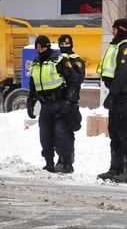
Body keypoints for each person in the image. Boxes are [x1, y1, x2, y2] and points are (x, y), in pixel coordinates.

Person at [96, 18, 127, 183]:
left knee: (125, 133)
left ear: (121, 29)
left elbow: (123, 73)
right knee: (115, 133)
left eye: (115, 29)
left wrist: (112, 95)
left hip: (124, 96)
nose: (113, 32)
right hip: (118, 95)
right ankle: (115, 169)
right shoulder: (119, 45)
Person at [26, 35, 80, 173]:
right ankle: (49, 162)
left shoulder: (59, 61)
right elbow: (33, 85)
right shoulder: (35, 63)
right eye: (37, 48)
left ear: (48, 46)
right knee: (45, 135)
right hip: (45, 105)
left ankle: (67, 163)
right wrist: (30, 102)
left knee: (61, 134)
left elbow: (74, 81)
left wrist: (70, 100)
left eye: (42, 47)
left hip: (60, 103)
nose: (40, 50)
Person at [53, 34, 85, 172]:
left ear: (71, 44)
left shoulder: (76, 60)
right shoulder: (56, 59)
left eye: (66, 44)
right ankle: (61, 159)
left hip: (69, 101)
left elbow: (77, 80)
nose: (64, 47)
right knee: (54, 133)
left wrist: (70, 99)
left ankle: (67, 162)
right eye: (61, 44)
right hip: (56, 100)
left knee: (64, 132)